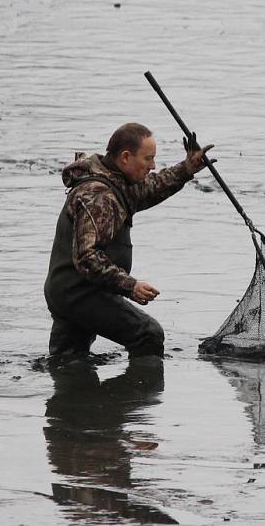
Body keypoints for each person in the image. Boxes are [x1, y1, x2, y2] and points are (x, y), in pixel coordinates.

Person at [44, 122, 214, 359]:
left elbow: (151, 188)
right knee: (148, 334)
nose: (153, 166)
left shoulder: (116, 181)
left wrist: (187, 168)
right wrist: (130, 285)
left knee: (69, 360)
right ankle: (134, 394)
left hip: (69, 290)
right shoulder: (98, 195)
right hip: (79, 294)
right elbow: (87, 257)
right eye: (148, 159)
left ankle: (77, 395)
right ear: (125, 157)